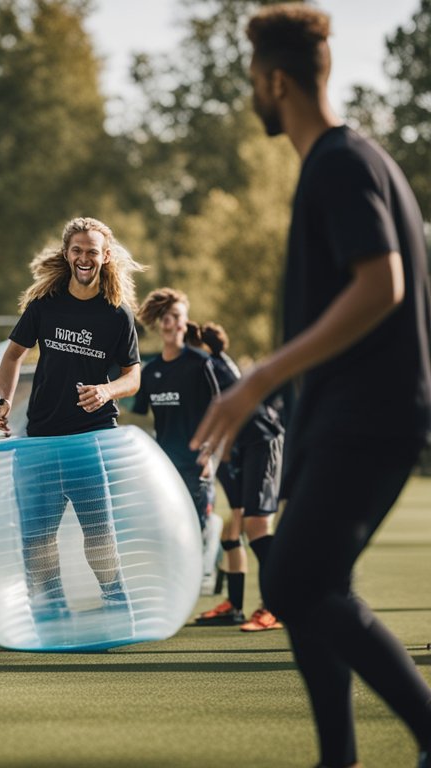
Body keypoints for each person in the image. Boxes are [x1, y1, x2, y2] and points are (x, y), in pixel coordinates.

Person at [192, 6, 431, 766]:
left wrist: (258, 378)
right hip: (341, 416)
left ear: (276, 80)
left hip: (372, 416)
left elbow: (383, 282)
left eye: (253, 83)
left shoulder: (340, 162)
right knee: (308, 585)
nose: (252, 97)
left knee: (293, 580)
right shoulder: (355, 159)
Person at [0, 217, 142, 620]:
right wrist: (4, 402)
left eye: (93, 251)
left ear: (105, 257)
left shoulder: (117, 315)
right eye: (77, 250)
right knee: (37, 536)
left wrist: (107, 390)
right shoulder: (44, 305)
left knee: (99, 533)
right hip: (40, 437)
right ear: (67, 254)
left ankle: (115, 599)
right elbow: (12, 355)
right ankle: (52, 607)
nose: (85, 258)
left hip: (92, 439)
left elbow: (133, 376)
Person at [192, 322, 285, 631]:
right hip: (240, 449)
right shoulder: (212, 363)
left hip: (261, 441)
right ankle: (234, 606)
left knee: (256, 526)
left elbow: (229, 413)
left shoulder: (208, 365)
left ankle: (278, 607)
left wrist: (212, 452)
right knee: (232, 530)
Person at [131, 288, 223, 598]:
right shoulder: (151, 370)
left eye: (179, 318)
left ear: (185, 323)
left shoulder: (200, 364)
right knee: (167, 528)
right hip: (165, 466)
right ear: (159, 323)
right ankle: (181, 580)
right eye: (167, 318)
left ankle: (204, 566)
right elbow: (140, 416)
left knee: (194, 530)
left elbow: (219, 409)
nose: (173, 324)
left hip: (196, 461)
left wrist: (210, 453)